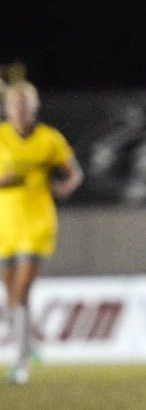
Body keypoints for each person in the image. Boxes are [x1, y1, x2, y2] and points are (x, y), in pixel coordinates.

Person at [0, 80, 84, 385]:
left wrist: (66, 186)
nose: (20, 111)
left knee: (21, 292)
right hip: (4, 225)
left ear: (33, 108)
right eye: (15, 105)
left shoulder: (49, 139)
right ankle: (28, 344)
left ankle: (20, 364)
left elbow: (74, 172)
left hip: (37, 224)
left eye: (25, 105)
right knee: (11, 297)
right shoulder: (1, 138)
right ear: (7, 108)